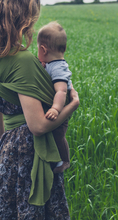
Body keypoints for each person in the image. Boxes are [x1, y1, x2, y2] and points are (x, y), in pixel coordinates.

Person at [0, 0, 79, 219]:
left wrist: (4, 150)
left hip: (6, 147)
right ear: (25, 15)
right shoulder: (24, 61)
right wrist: (72, 105)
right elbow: (38, 126)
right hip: (31, 153)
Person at [37, 21, 72, 173]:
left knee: (58, 134)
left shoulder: (58, 67)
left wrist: (56, 109)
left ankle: (64, 160)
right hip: (56, 104)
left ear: (43, 49)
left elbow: (61, 91)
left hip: (62, 104)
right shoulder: (51, 63)